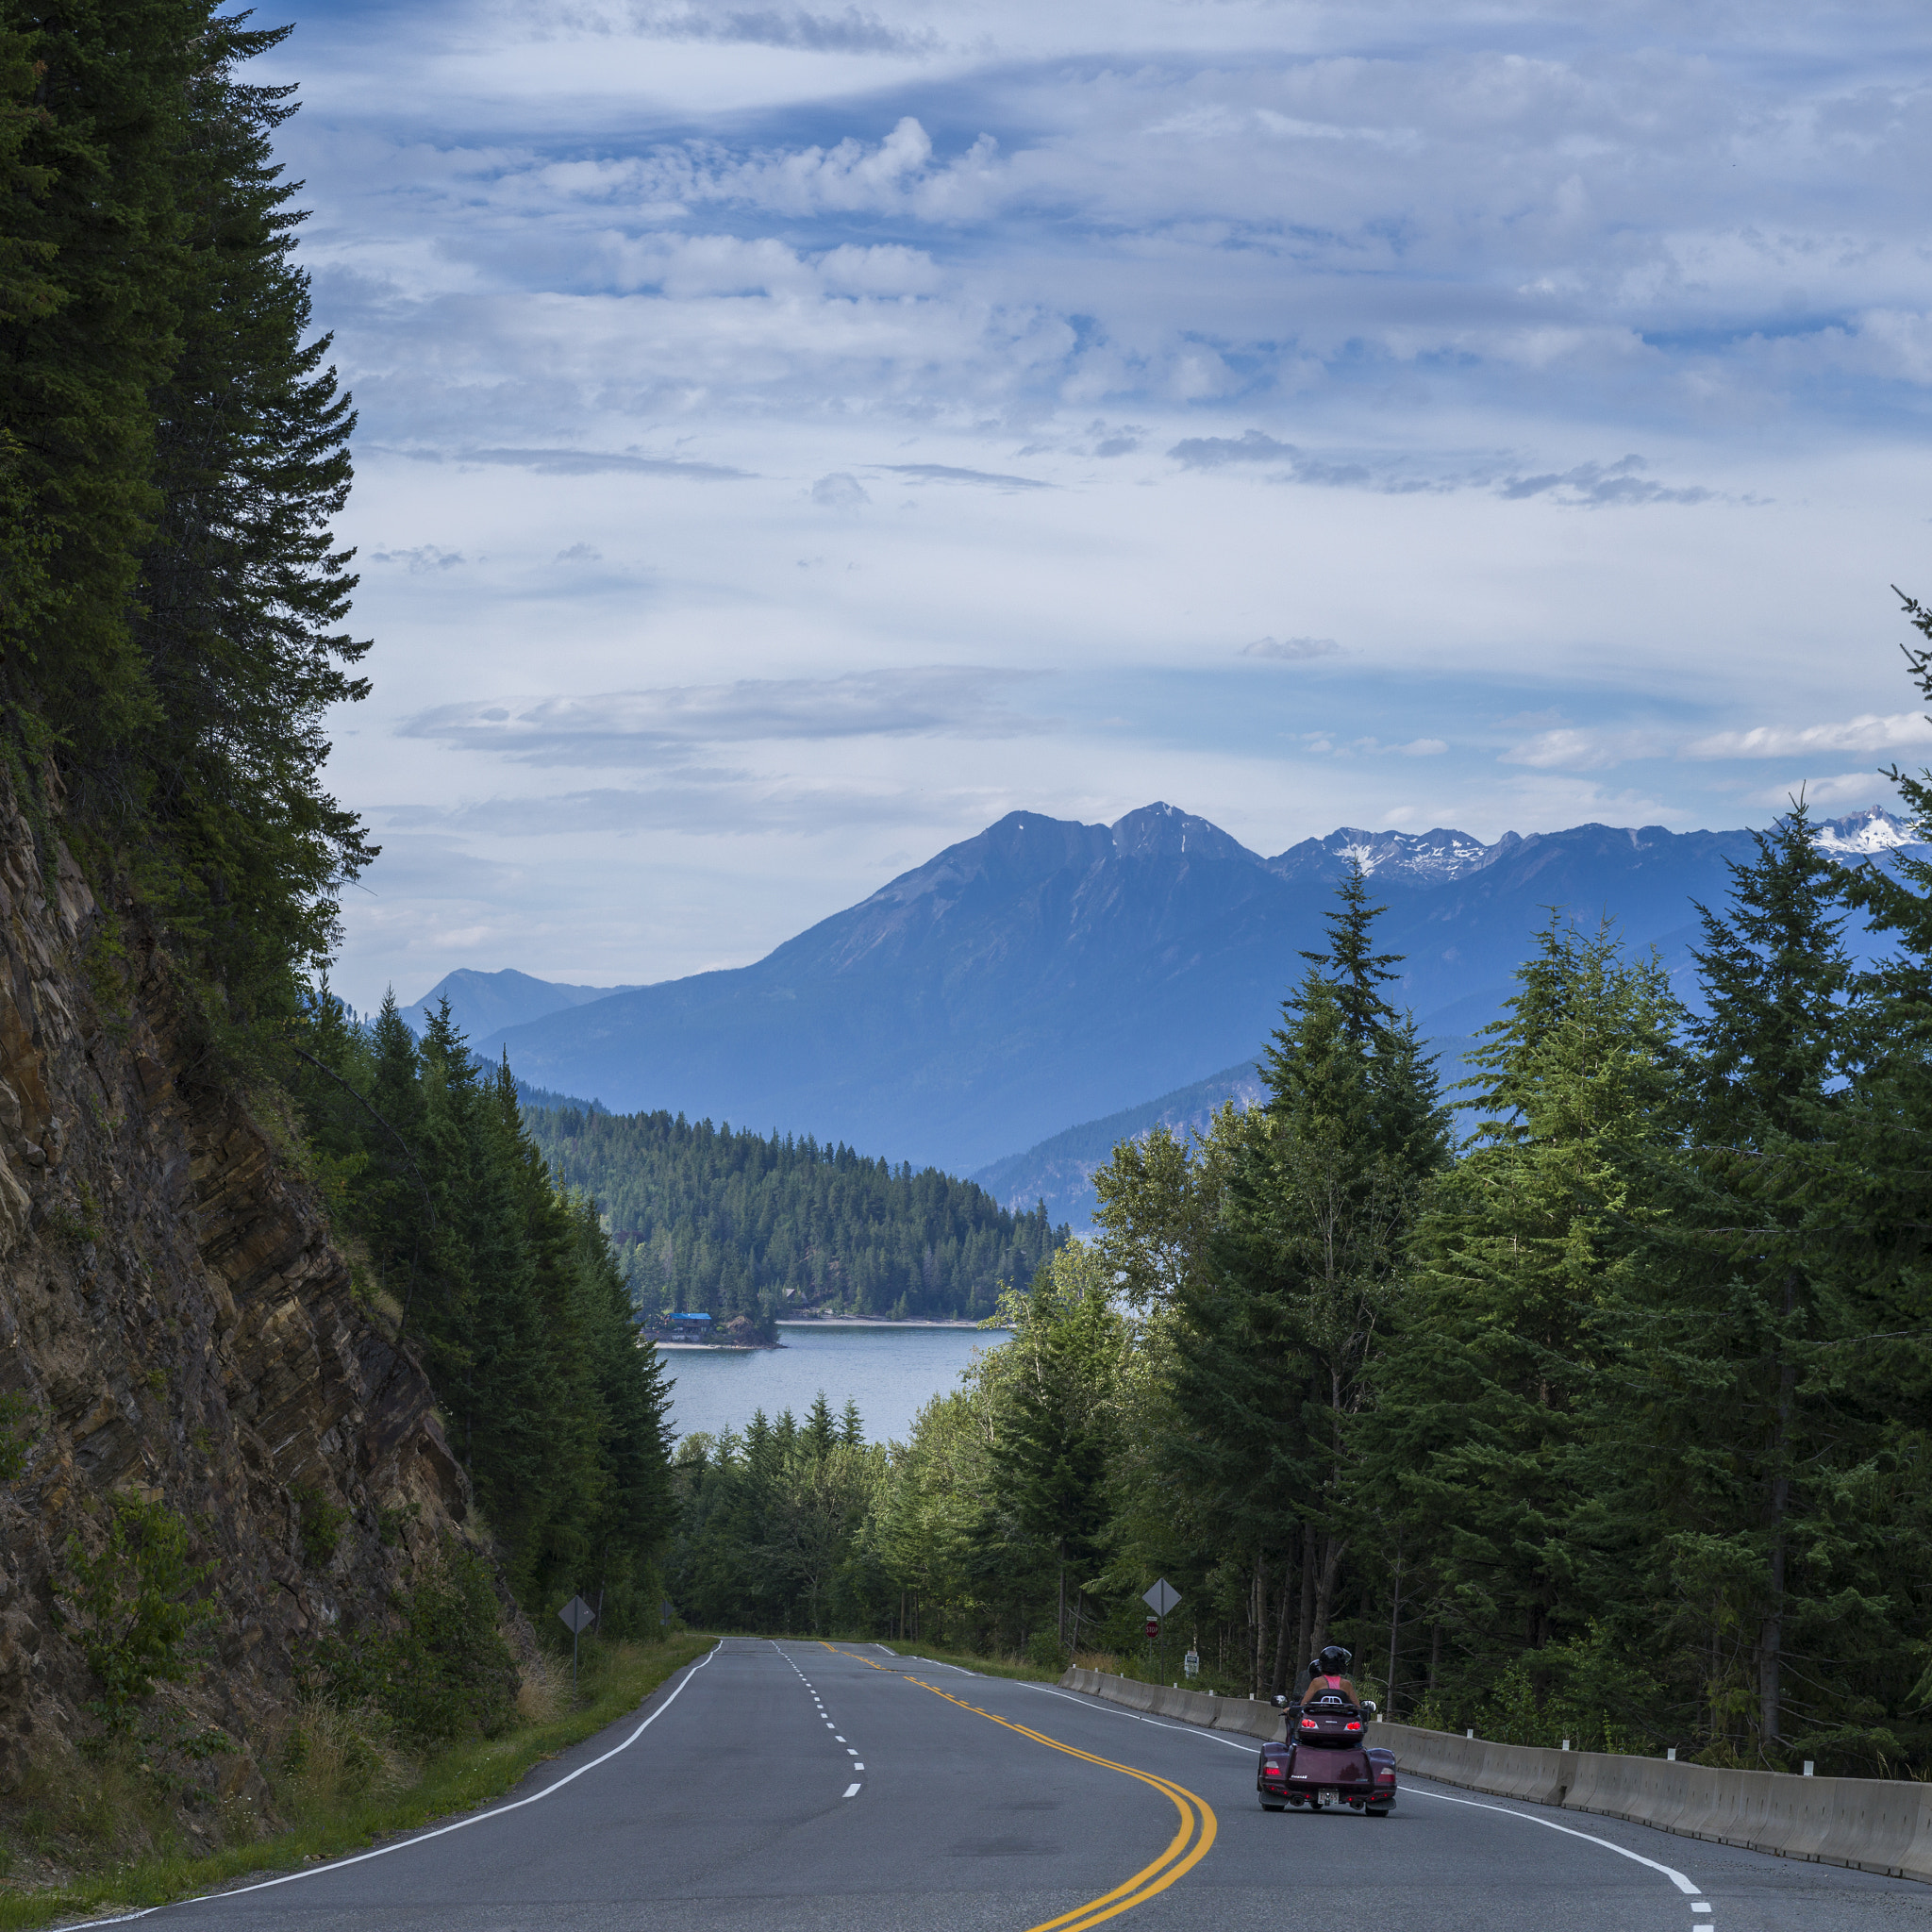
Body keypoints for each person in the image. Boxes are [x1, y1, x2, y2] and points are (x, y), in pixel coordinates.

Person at [1299, 1644, 1364, 1709]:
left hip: (1319, 1717)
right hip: (1341, 1718)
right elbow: (1357, 1707)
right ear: (1341, 1664)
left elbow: (1303, 1704)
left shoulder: (1316, 1682)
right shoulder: (1346, 1684)